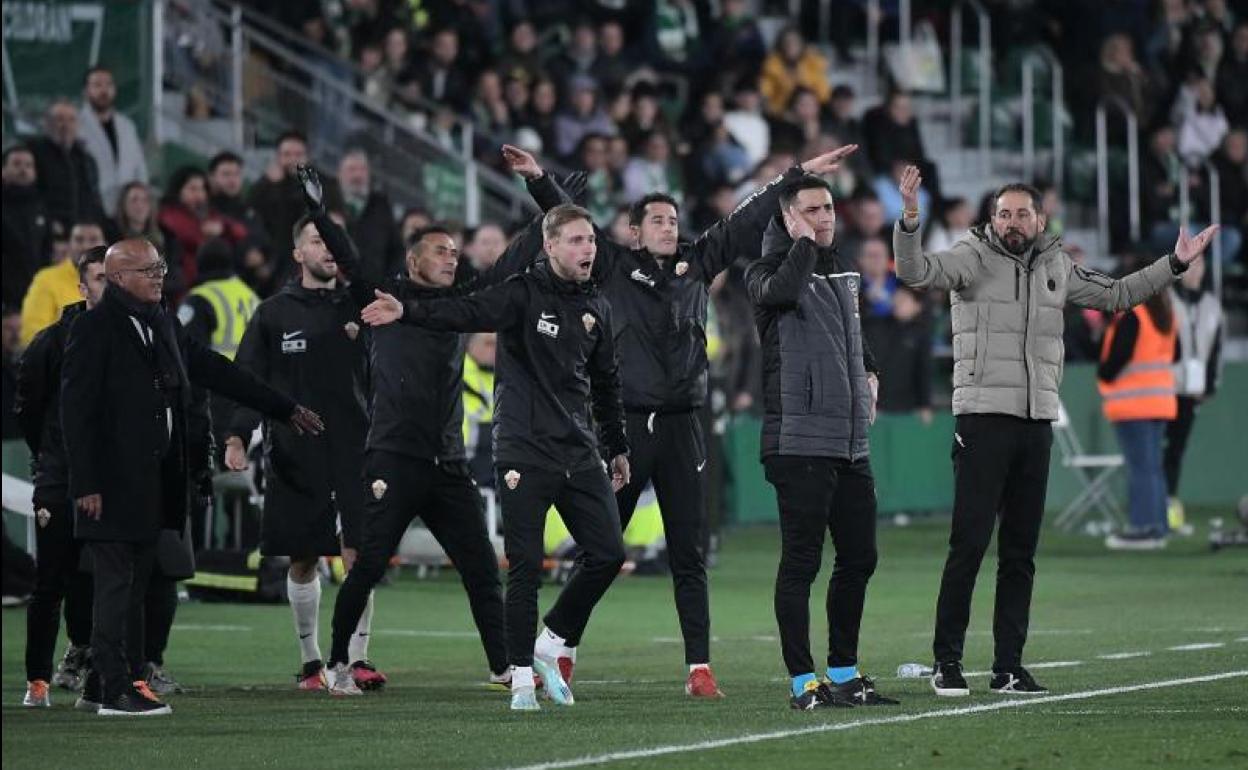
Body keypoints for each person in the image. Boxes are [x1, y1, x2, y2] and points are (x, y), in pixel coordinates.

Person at [505, 141, 856, 697]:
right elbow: (570, 224)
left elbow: (747, 217)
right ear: (633, 231)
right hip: (626, 425)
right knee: (604, 546)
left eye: (673, 220)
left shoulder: (698, 263)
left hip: (684, 424)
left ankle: (698, 668)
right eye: (659, 222)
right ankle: (560, 641)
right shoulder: (613, 267)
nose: (670, 229)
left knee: (689, 550)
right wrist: (538, 181)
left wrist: (796, 174)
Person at [891, 166, 1219, 697]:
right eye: (1003, 213)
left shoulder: (1056, 266)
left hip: (1035, 421)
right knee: (969, 546)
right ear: (991, 219)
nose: (1012, 222)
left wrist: (1175, 263)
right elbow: (914, 270)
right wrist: (910, 217)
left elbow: (1117, 294)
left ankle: (1007, 666)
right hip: (981, 419)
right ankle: (946, 662)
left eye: (1022, 213)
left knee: (1020, 552)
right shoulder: (969, 257)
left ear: (1040, 218)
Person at [361, 203, 631, 713]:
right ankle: (522, 678)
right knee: (525, 566)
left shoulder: (599, 305)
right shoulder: (521, 295)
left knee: (609, 553)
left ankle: (549, 645)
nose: (587, 249)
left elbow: (606, 382)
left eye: (590, 240)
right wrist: (409, 310)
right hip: (523, 452)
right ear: (549, 246)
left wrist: (616, 445)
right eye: (575, 241)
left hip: (578, 449)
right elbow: (464, 311)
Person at [295, 164, 543, 695]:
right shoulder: (381, 294)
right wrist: (319, 213)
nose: (451, 258)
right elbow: (349, 260)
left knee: (481, 568)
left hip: (447, 463)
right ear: (413, 260)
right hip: (394, 455)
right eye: (440, 251)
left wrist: (547, 212)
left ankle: (501, 665)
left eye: (455, 252)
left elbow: (508, 265)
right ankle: (338, 663)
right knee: (366, 566)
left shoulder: (460, 301)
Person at [61, 238, 323, 716]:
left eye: (161, 267)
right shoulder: (94, 328)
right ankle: (119, 689)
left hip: (154, 479)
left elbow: (217, 371)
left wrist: (283, 408)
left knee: (136, 584)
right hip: (112, 483)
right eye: (148, 270)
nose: (160, 276)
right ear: (118, 279)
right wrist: (87, 484)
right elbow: (75, 414)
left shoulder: (160, 323)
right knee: (117, 586)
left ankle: (105, 683)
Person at [744, 173, 897, 710]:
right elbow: (782, 293)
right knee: (801, 563)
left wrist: (871, 372)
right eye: (811, 211)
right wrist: (803, 242)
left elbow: (850, 339)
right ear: (788, 219)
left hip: (850, 442)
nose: (826, 218)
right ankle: (802, 681)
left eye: (829, 208)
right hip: (799, 440)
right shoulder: (765, 272)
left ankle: (845, 671)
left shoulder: (844, 270)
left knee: (860, 557)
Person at [222, 211, 376, 693]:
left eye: (335, 240)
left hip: (357, 447)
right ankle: (311, 662)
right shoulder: (273, 312)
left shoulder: (363, 305)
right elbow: (248, 378)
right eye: (317, 239)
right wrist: (237, 436)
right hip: (295, 450)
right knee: (304, 557)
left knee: (361, 554)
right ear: (298, 253)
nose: (328, 248)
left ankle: (357, 660)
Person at [14, 246, 106, 707]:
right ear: (82, 285)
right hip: (60, 478)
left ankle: (94, 679)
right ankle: (37, 681)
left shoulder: (133, 338)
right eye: (99, 277)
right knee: (51, 582)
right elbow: (29, 409)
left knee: (98, 581)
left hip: (111, 481)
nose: (108, 285)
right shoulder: (51, 343)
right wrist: (49, 459)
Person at [1099, 291, 1178, 550]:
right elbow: (1175, 355)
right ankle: (1158, 526)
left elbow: (1117, 359)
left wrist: (1104, 373)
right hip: (1161, 402)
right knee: (1153, 468)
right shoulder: (1165, 315)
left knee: (1141, 469)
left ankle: (1142, 529)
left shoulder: (1135, 316)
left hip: (1133, 404)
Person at [1163, 257, 1223, 532]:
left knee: (1176, 451)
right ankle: (1153, 506)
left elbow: (1216, 350)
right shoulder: (1167, 300)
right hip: (1165, 386)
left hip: (1191, 390)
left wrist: (1210, 385)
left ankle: (1169, 504)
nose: (1194, 270)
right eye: (1190, 265)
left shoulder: (1212, 306)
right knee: (1157, 450)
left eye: (1199, 265)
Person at [21, 221, 106, 346]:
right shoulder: (46, 279)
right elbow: (33, 335)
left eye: (93, 239)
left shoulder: (117, 280)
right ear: (69, 245)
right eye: (78, 239)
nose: (85, 246)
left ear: (105, 244)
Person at [79, 66, 149, 215]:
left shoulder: (127, 126)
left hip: (126, 206)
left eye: (108, 85)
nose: (104, 90)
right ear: (86, 91)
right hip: (91, 205)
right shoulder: (77, 125)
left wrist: (142, 195)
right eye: (97, 85)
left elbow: (139, 166)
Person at [28, 98, 105, 227]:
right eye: (59, 119)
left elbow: (94, 200)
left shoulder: (87, 160)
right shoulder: (32, 153)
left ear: (78, 125)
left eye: (71, 119)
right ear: (47, 123)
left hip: (82, 234)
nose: (66, 125)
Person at [2, 144, 54, 308]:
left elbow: (47, 251)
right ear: (3, 170)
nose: (23, 170)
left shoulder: (42, 207)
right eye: (16, 164)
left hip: (36, 295)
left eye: (28, 165)